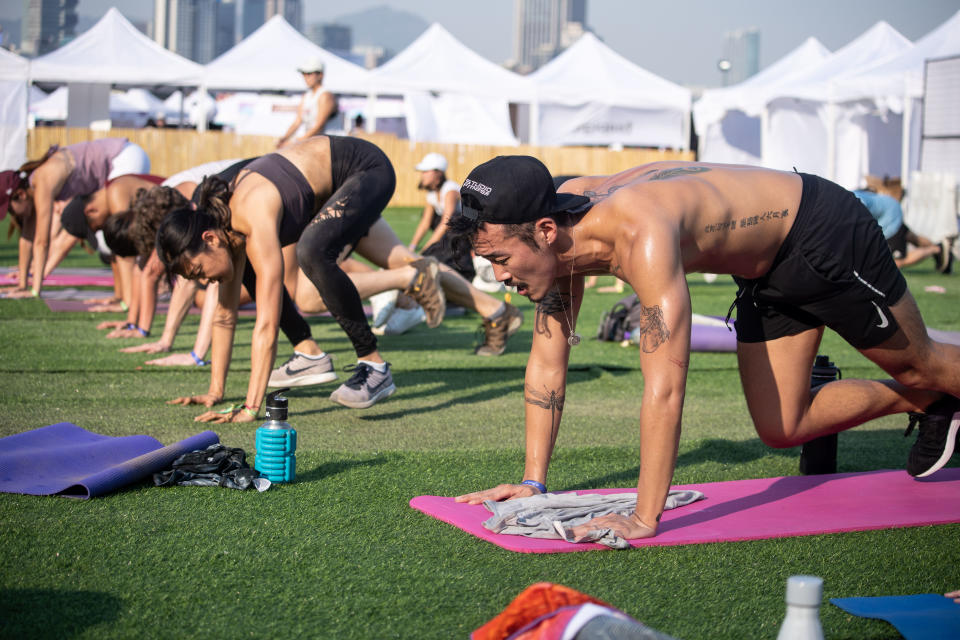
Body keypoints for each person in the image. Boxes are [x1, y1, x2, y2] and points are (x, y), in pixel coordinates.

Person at [450, 156, 960, 541]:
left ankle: (930, 388)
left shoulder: (639, 234)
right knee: (784, 427)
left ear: (544, 231)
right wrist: (533, 485)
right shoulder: (553, 216)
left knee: (923, 365)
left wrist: (645, 516)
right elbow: (546, 364)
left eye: (500, 260)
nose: (499, 277)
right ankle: (932, 404)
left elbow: (665, 389)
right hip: (763, 266)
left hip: (820, 232)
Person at [155, 136, 523, 420]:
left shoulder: (250, 214)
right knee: (406, 261)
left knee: (312, 260)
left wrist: (252, 407)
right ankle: (496, 311)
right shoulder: (223, 226)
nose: (206, 281)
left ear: (210, 238)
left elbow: (265, 323)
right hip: (332, 188)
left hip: (364, 170)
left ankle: (373, 365)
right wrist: (214, 391)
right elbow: (224, 315)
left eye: (200, 272)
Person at [0, 138, 150, 298]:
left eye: (9, 208)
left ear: (21, 195)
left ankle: (133, 295)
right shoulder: (34, 187)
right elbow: (27, 239)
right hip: (121, 157)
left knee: (116, 236)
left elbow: (41, 241)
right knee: (108, 241)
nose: (12, 215)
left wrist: (35, 290)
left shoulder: (42, 181)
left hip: (125, 157)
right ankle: (122, 296)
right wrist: (23, 285)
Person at [852, 188, 953, 273]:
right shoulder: (846, 196)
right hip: (890, 206)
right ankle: (941, 247)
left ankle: (936, 249)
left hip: (888, 220)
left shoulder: (855, 203)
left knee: (896, 262)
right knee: (912, 238)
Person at [277, 57, 338, 149]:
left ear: (320, 75)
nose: (305, 77)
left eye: (309, 73)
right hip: (317, 142)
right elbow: (297, 122)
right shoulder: (306, 96)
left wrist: (297, 142)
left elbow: (319, 126)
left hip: (333, 145)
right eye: (304, 74)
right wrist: (283, 138)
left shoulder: (325, 95)